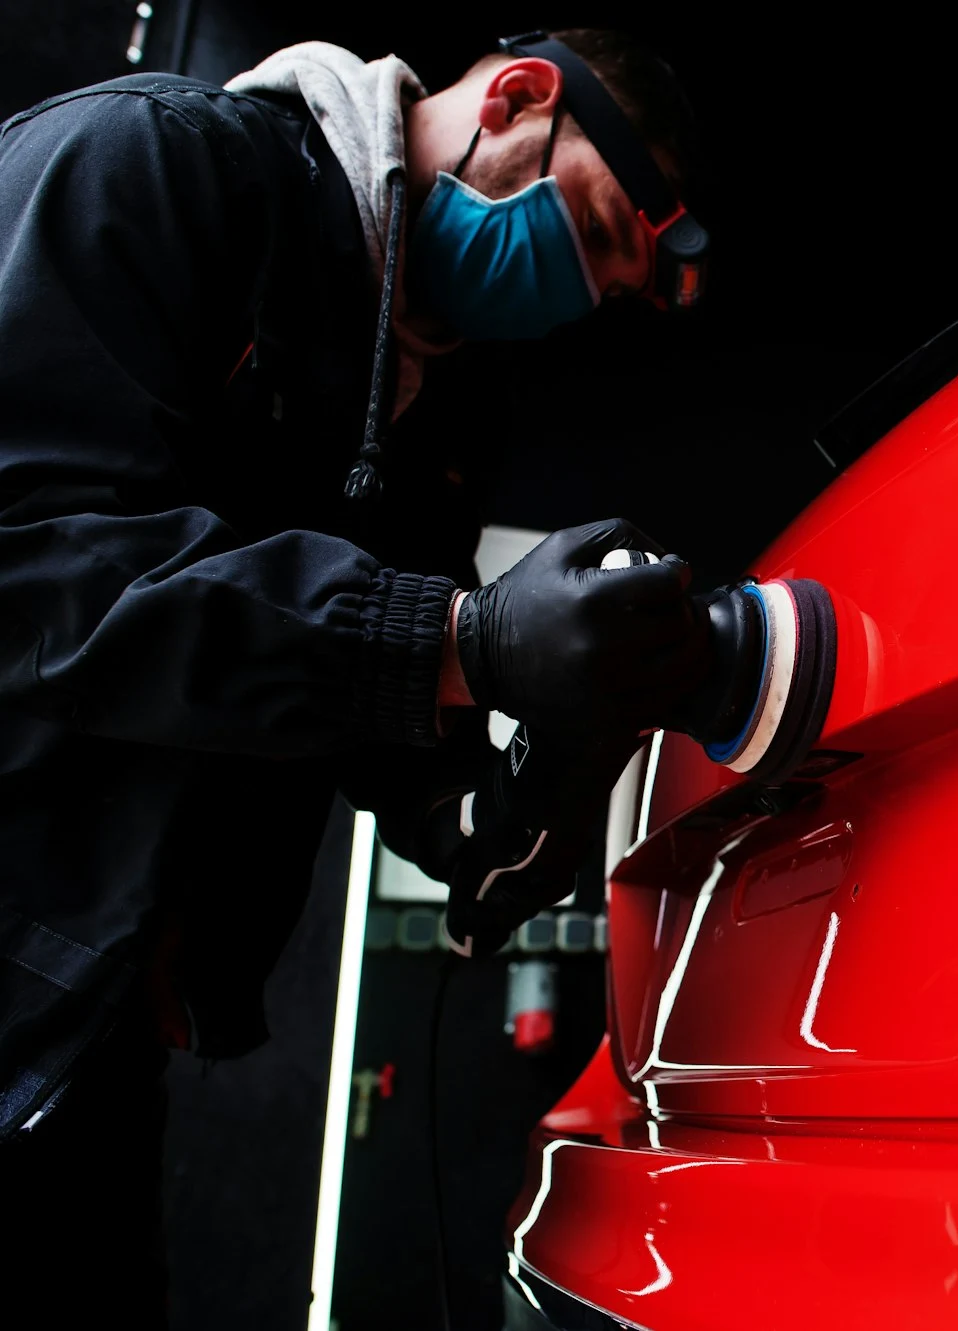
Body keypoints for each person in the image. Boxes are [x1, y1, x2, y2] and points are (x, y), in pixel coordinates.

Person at [0, 27, 709, 1315]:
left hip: (95, 1023)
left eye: (617, 280)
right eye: (601, 228)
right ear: (518, 97)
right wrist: (463, 641)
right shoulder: (154, 170)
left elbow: (356, 697)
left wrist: (465, 810)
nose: (591, 286)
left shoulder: (443, 402)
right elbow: (36, 577)